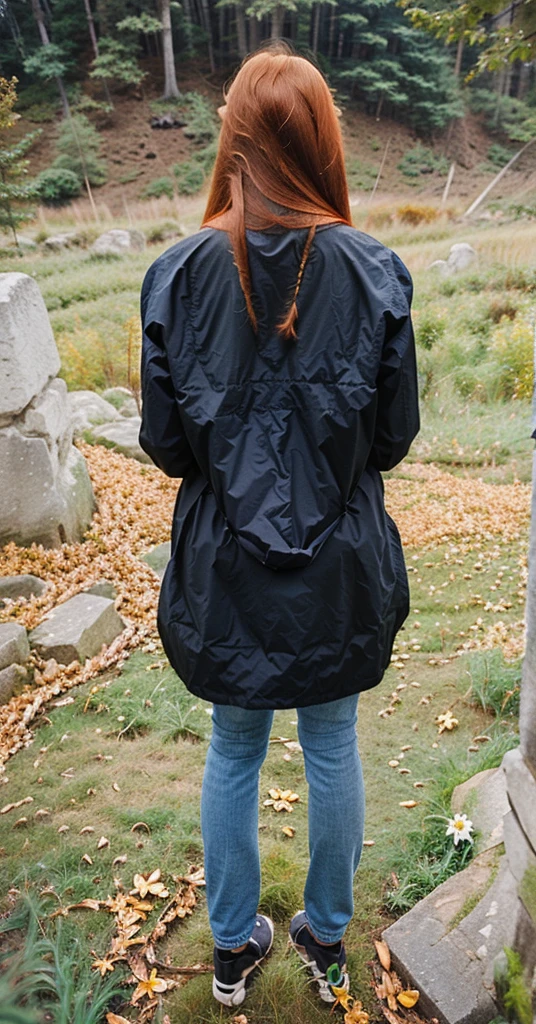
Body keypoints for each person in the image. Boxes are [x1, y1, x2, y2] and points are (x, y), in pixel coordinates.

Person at [139, 42, 419, 1010]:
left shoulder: (175, 276)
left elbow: (167, 446)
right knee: (332, 744)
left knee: (233, 746)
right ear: (322, 143)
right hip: (335, 568)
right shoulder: (374, 271)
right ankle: (328, 938)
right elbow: (392, 437)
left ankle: (228, 950)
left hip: (228, 573)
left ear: (233, 141)